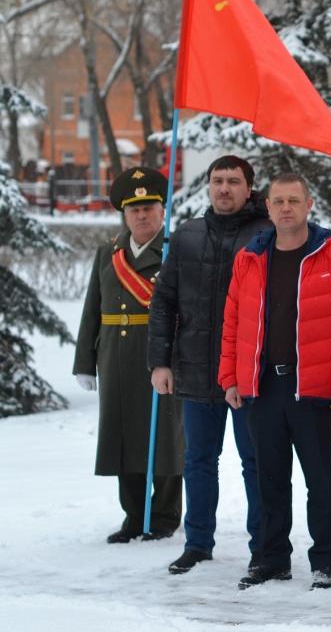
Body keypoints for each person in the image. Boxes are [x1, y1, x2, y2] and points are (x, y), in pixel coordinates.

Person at [218, 173, 331, 591]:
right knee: (268, 479)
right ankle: (271, 560)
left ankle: (324, 563)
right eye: (279, 201)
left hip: (312, 388)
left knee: (319, 479)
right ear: (267, 207)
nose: (286, 208)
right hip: (262, 386)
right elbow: (232, 322)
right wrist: (229, 376)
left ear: (308, 205)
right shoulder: (250, 258)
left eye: (294, 201)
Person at [148, 155, 272, 575]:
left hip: (249, 374)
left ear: (249, 188)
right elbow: (163, 302)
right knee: (198, 461)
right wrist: (160, 362)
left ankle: (264, 547)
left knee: (255, 463)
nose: (224, 188)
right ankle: (198, 543)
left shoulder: (267, 234)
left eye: (233, 181)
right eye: (218, 180)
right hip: (196, 368)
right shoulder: (187, 235)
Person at [73, 166, 183, 543]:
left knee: (165, 437)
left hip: (162, 355)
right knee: (123, 435)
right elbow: (92, 307)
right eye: (134, 209)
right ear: (124, 213)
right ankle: (134, 515)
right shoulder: (109, 252)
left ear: (162, 210)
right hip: (116, 356)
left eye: (149, 208)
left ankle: (164, 515)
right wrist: (85, 362)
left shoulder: (174, 252)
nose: (141, 215)